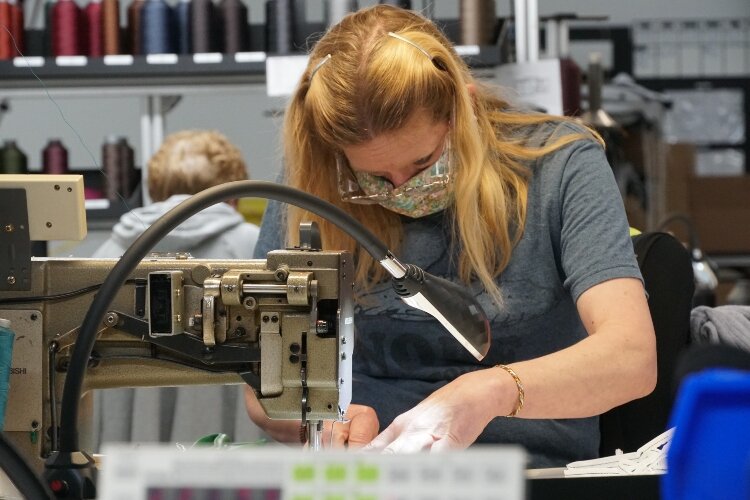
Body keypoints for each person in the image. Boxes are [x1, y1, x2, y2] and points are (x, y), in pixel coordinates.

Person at [246, 5, 656, 468]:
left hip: (522, 473)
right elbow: (263, 380)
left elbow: (632, 358)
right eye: (374, 177)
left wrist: (488, 392)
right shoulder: (315, 186)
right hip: (364, 474)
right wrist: (317, 421)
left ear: (464, 106)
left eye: (422, 163)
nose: (400, 188)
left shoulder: (560, 167)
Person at [92, 130, 263, 448]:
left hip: (129, 467)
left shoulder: (107, 252)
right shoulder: (254, 247)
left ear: (155, 191)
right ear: (233, 195)